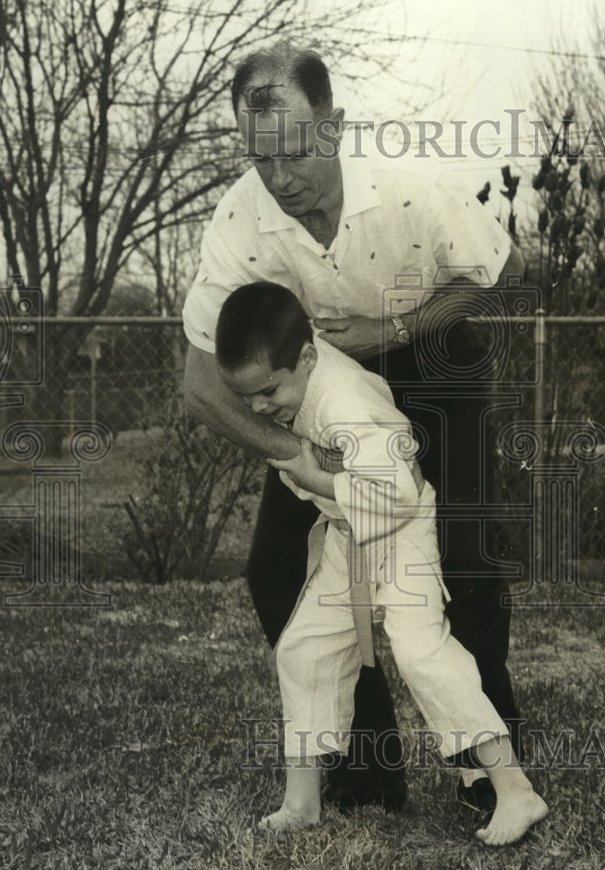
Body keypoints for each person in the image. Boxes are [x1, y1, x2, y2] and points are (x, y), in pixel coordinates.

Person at [183, 41, 526, 813]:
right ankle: (366, 771)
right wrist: (297, 454)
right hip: (330, 388)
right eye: (259, 159)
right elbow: (199, 381)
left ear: (333, 129)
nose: (278, 180)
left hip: (436, 360)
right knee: (279, 568)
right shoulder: (241, 218)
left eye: (296, 153)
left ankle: (492, 777)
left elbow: (505, 272)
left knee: (461, 559)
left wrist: (407, 329)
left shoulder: (412, 191)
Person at [214, 281, 547, 845]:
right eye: (246, 399)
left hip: (402, 529)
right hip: (351, 533)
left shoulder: (345, 399)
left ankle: (515, 791)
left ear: (308, 357)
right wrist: (314, 476)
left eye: (268, 392)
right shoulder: (298, 391)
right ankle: (302, 802)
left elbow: (397, 492)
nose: (258, 409)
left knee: (422, 653)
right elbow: (313, 479)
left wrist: (318, 476)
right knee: (304, 646)